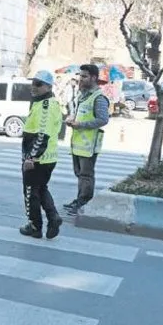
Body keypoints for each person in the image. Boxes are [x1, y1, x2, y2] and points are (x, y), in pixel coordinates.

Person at [19, 70, 64, 239]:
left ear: (48, 87)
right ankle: (53, 217)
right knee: (41, 189)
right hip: (46, 157)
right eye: (33, 83)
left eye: (38, 84)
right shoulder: (42, 103)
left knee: (31, 193)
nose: (34, 87)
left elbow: (42, 135)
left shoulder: (46, 105)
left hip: (39, 159)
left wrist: (32, 158)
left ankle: (35, 226)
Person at [63, 64, 110, 215]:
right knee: (80, 175)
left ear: (93, 78)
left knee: (86, 176)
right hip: (78, 143)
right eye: (80, 76)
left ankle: (84, 203)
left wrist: (80, 124)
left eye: (84, 76)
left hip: (89, 145)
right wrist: (72, 119)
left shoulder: (99, 97)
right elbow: (77, 113)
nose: (80, 79)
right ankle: (79, 199)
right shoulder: (81, 95)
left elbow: (103, 119)